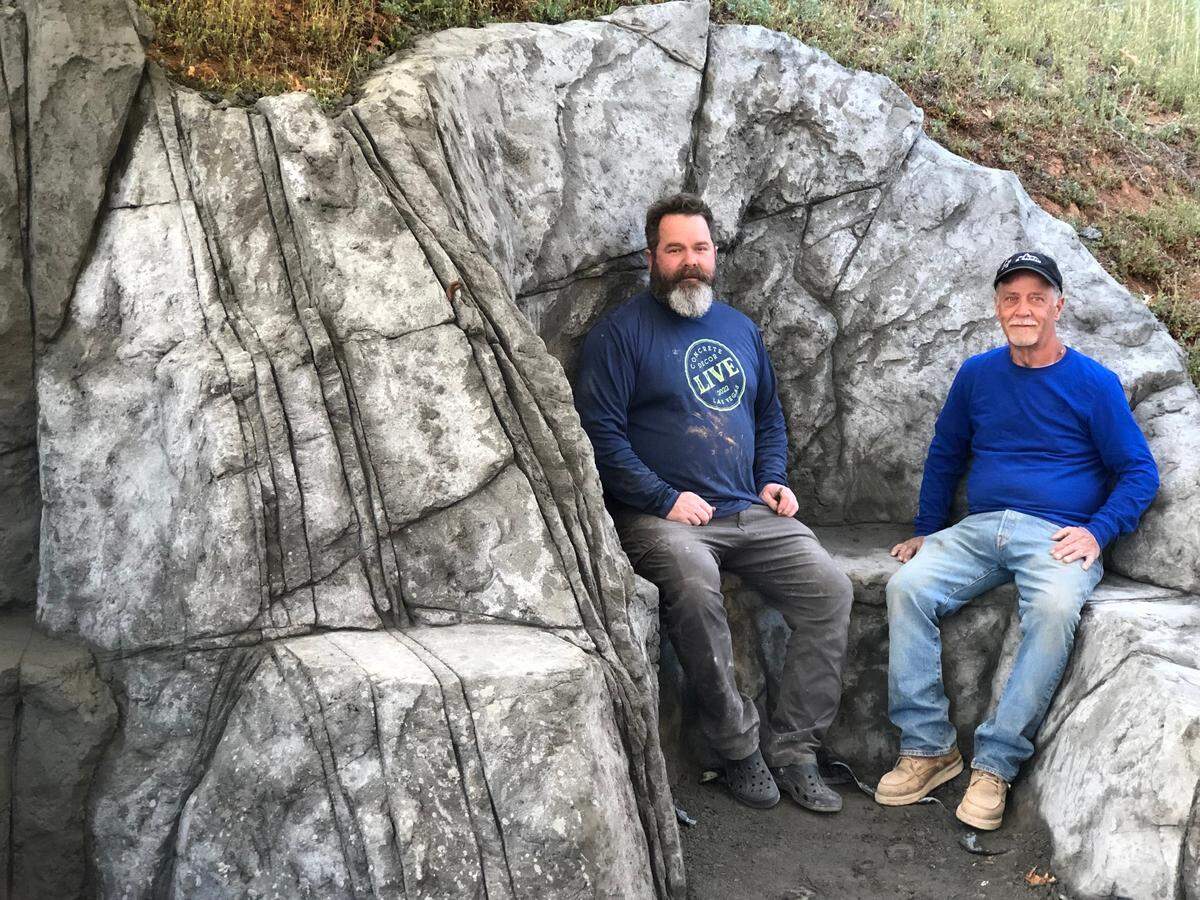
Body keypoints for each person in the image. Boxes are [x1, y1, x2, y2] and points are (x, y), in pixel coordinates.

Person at [574, 193, 853, 812]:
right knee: (697, 588)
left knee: (831, 589)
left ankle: (796, 750)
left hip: (748, 508)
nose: (690, 262)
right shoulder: (619, 336)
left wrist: (773, 478)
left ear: (715, 254)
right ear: (652, 257)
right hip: (662, 519)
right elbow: (601, 439)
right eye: (675, 250)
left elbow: (769, 416)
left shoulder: (738, 328)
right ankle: (737, 749)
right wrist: (664, 497)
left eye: (700, 248)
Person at [876, 251, 1159, 830]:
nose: (1022, 309)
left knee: (1055, 609)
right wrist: (927, 531)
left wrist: (1098, 532)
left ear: (1059, 305)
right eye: (1011, 298)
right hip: (980, 530)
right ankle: (929, 747)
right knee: (908, 586)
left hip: (1057, 535)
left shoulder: (1094, 384)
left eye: (1036, 297)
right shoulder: (977, 374)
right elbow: (946, 453)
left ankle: (996, 765)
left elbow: (1139, 472)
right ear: (998, 307)